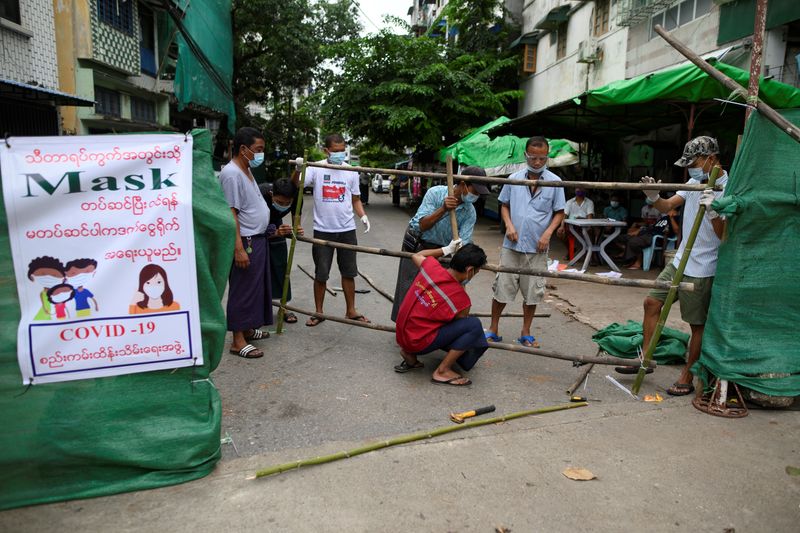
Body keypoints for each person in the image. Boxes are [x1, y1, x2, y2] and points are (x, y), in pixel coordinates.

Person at [616, 136, 728, 396]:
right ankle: (645, 358)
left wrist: (713, 211)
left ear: (711, 158)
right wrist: (653, 197)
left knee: (696, 324)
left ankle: (688, 374)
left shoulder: (728, 186)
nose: (691, 169)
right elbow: (667, 206)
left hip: (704, 265)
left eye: (695, 163)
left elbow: (724, 234)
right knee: (651, 302)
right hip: (680, 258)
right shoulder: (693, 182)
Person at [486, 136, 565, 348]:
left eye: (542, 158)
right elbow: (504, 205)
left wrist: (548, 233)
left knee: (533, 292)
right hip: (512, 244)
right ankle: (493, 328)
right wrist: (509, 225)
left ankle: (526, 332)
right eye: (533, 158)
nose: (537, 162)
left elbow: (559, 213)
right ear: (526, 155)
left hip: (538, 247)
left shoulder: (555, 182)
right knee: (502, 287)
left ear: (547, 156)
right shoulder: (514, 178)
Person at [390, 166, 490, 321]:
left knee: (433, 294)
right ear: (463, 184)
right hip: (418, 243)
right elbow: (422, 225)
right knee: (409, 286)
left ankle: (425, 328)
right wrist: (443, 209)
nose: (476, 195)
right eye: (474, 191)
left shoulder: (470, 212)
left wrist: (463, 273)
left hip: (443, 251)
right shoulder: (435, 193)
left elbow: (463, 243)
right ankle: (403, 325)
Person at [394, 240, 488, 386]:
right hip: (417, 342)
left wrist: (445, 249)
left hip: (401, 333)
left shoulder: (431, 267)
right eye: (476, 272)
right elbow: (460, 323)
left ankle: (409, 354)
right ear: (470, 270)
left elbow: (417, 255)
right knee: (474, 326)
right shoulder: (461, 299)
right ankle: (442, 371)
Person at [304, 133, 370, 326]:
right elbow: (299, 183)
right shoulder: (316, 167)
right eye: (336, 151)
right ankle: (319, 312)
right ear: (326, 151)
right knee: (321, 273)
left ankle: (351, 310)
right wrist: (300, 168)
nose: (340, 155)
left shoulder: (351, 171)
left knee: (349, 272)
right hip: (323, 229)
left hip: (347, 230)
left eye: (342, 151)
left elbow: (355, 199)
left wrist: (363, 216)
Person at [219, 127, 273, 359]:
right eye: (258, 150)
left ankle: (249, 328)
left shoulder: (246, 170)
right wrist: (238, 247)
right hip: (246, 241)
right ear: (243, 149)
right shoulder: (231, 174)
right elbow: (231, 213)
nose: (261, 154)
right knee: (243, 290)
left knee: (255, 289)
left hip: (257, 238)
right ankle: (237, 340)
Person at [264, 178, 304, 324]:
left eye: (287, 203)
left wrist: (297, 229)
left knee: (281, 269)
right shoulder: (261, 194)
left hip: (277, 225)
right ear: (271, 194)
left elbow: (296, 223)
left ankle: (283, 306)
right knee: (260, 271)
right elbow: (253, 223)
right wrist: (272, 232)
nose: (284, 206)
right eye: (280, 202)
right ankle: (261, 307)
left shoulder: (296, 199)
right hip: (257, 228)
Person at [27, 256, 65, 321]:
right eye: (43, 274)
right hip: (45, 312)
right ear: (32, 277)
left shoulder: (58, 293)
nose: (48, 277)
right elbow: (43, 301)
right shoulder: (42, 293)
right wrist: (44, 309)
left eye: (54, 275)